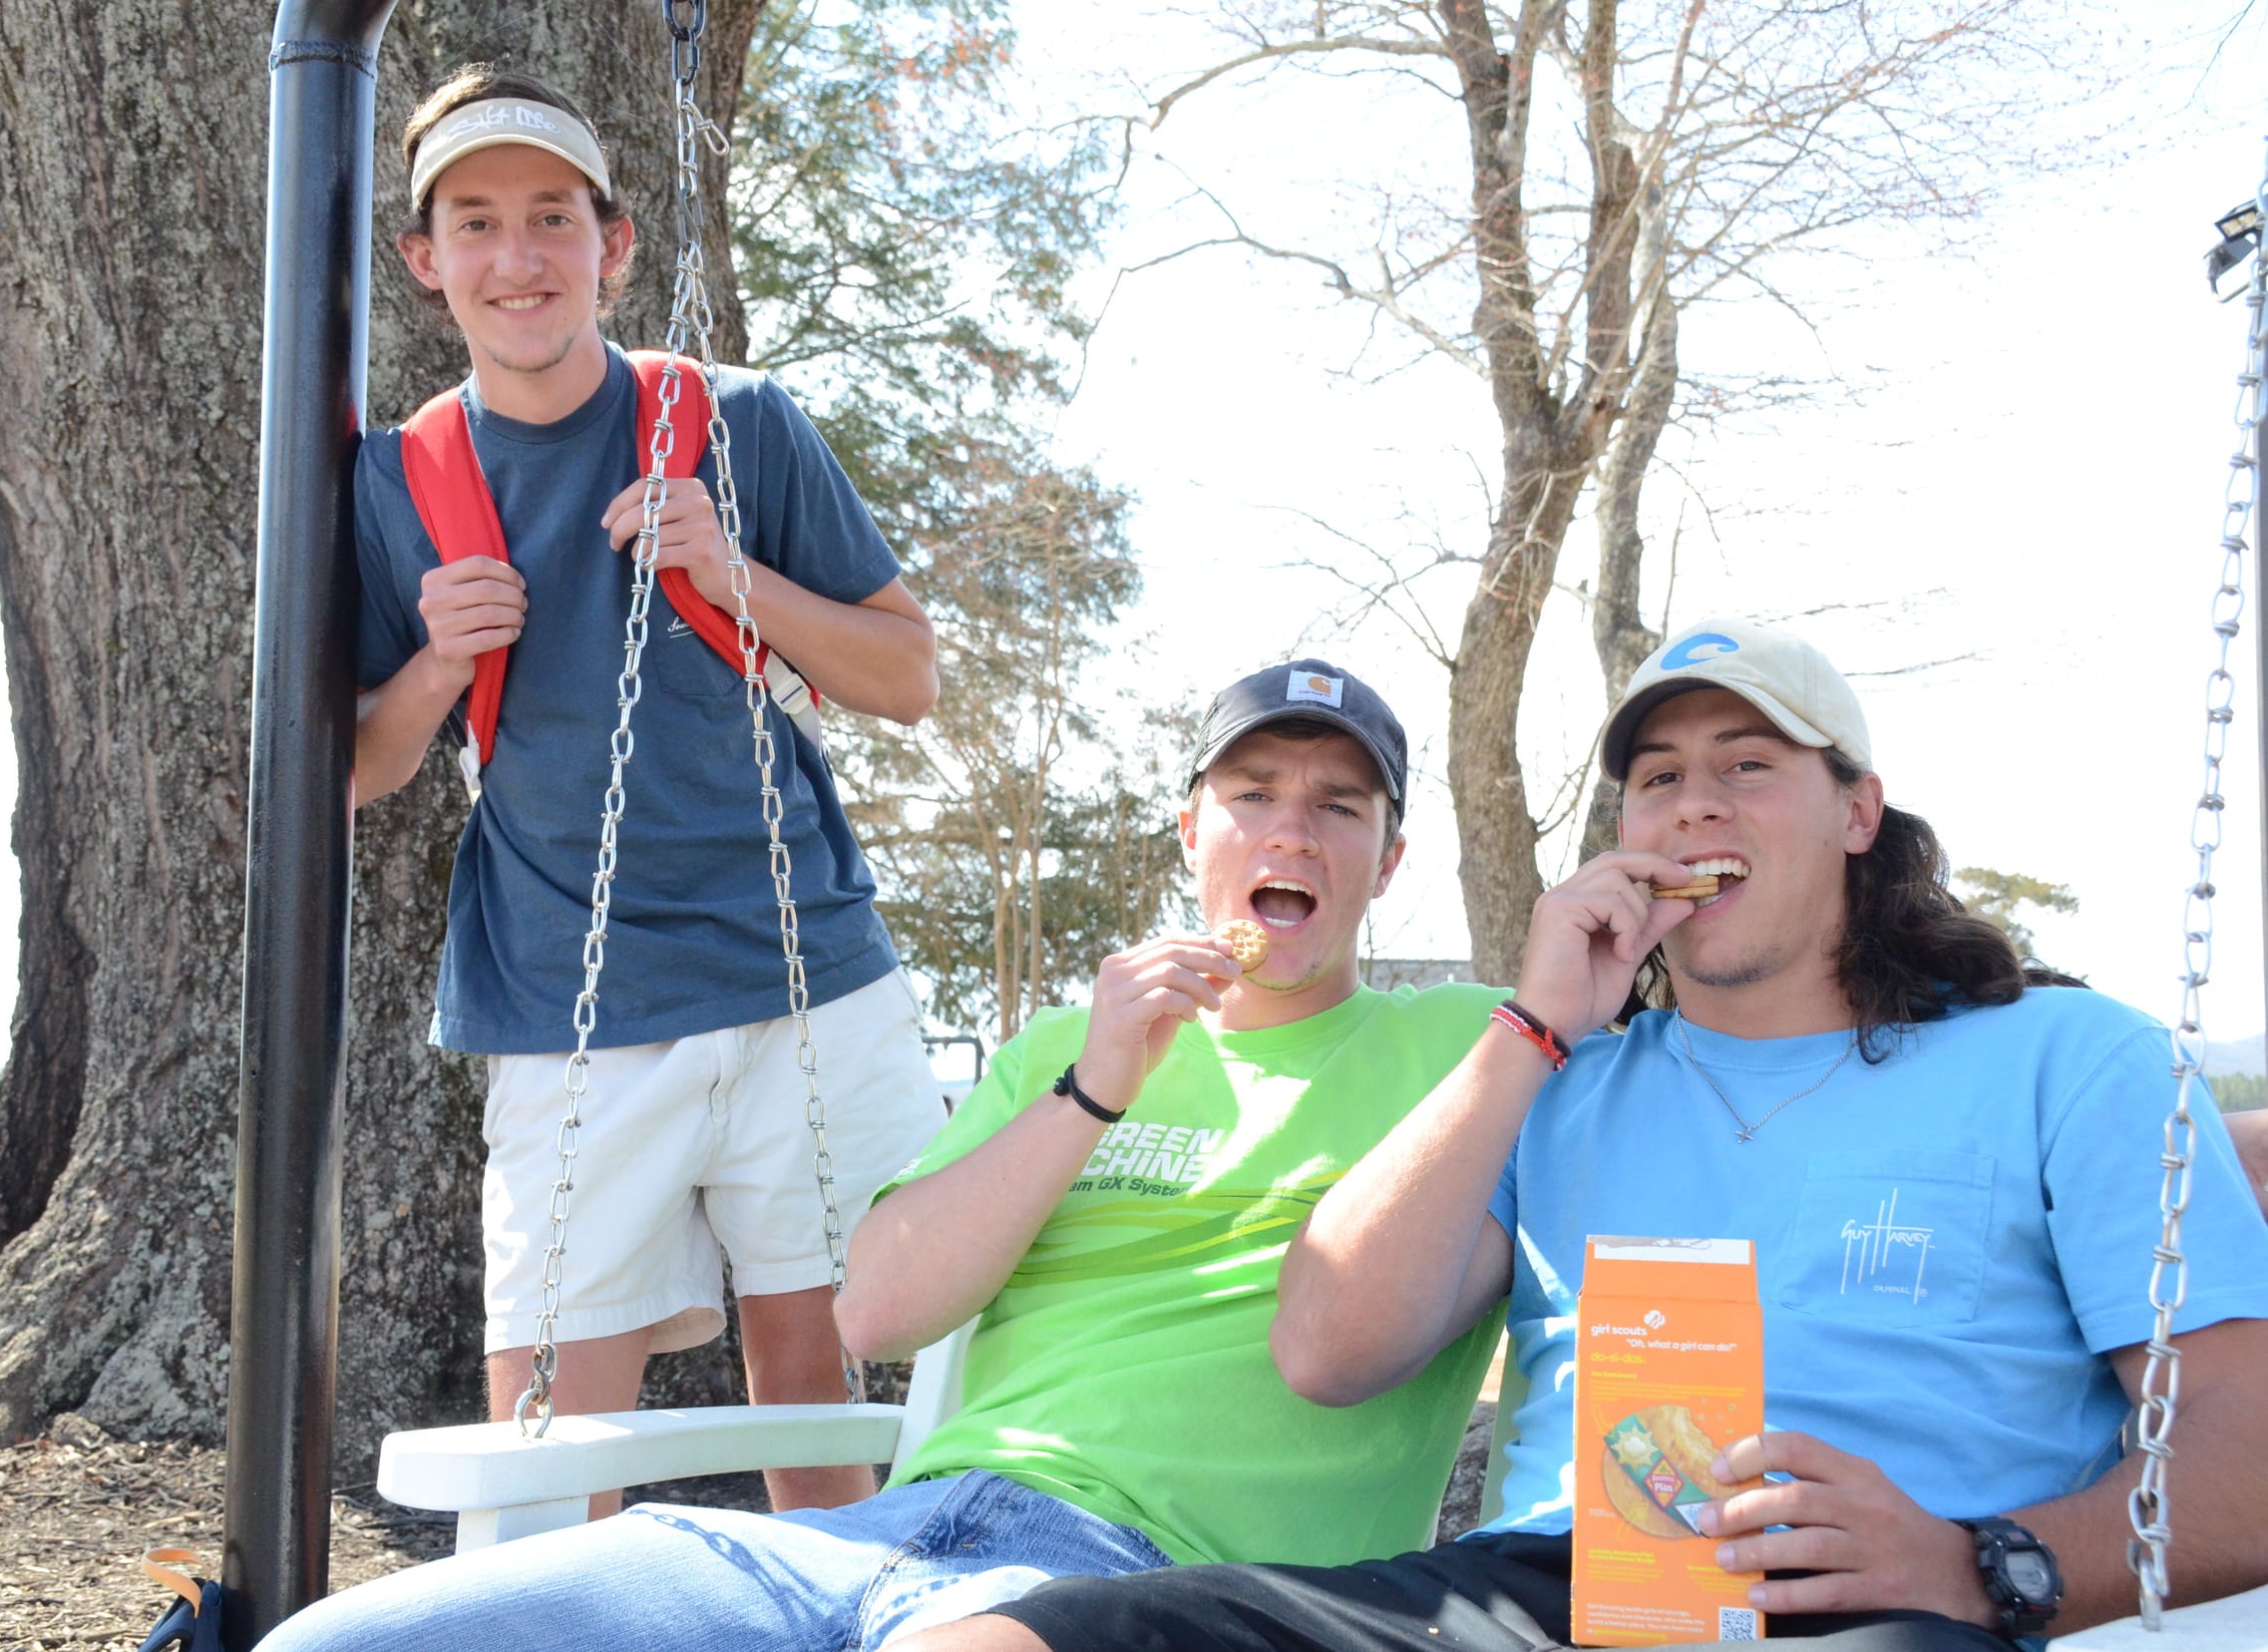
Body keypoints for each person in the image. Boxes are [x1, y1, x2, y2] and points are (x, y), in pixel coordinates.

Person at [930, 618, 2268, 1651]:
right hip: (1538, 1591)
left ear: (1858, 814)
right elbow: (1328, 1347)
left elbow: (2241, 1442)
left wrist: (1991, 1564)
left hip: (1865, 1604)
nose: (1694, 806)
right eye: (1660, 777)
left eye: (1749, 767)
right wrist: (1532, 1025)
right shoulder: (1561, 1082)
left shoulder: (2068, 1060)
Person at [258, 659, 1509, 1651]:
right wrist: (1096, 1087)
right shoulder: (1073, 1044)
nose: (1291, 833)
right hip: (876, 1533)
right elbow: (881, 1309)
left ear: (1387, 864)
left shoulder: (1466, 1043)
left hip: (1146, 1578)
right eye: (1254, 796)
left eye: (1338, 807)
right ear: (1193, 833)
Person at [349, 64, 946, 1513]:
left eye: (553, 217)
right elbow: (355, 773)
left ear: (612, 246)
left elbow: (905, 672)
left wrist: (733, 576)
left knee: (824, 1363)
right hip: (569, 1000)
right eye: (477, 224)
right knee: (548, 1434)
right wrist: (434, 667)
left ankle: (846, 1611)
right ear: (427, 263)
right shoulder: (392, 479)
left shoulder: (738, 420)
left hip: (807, 970)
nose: (519, 258)